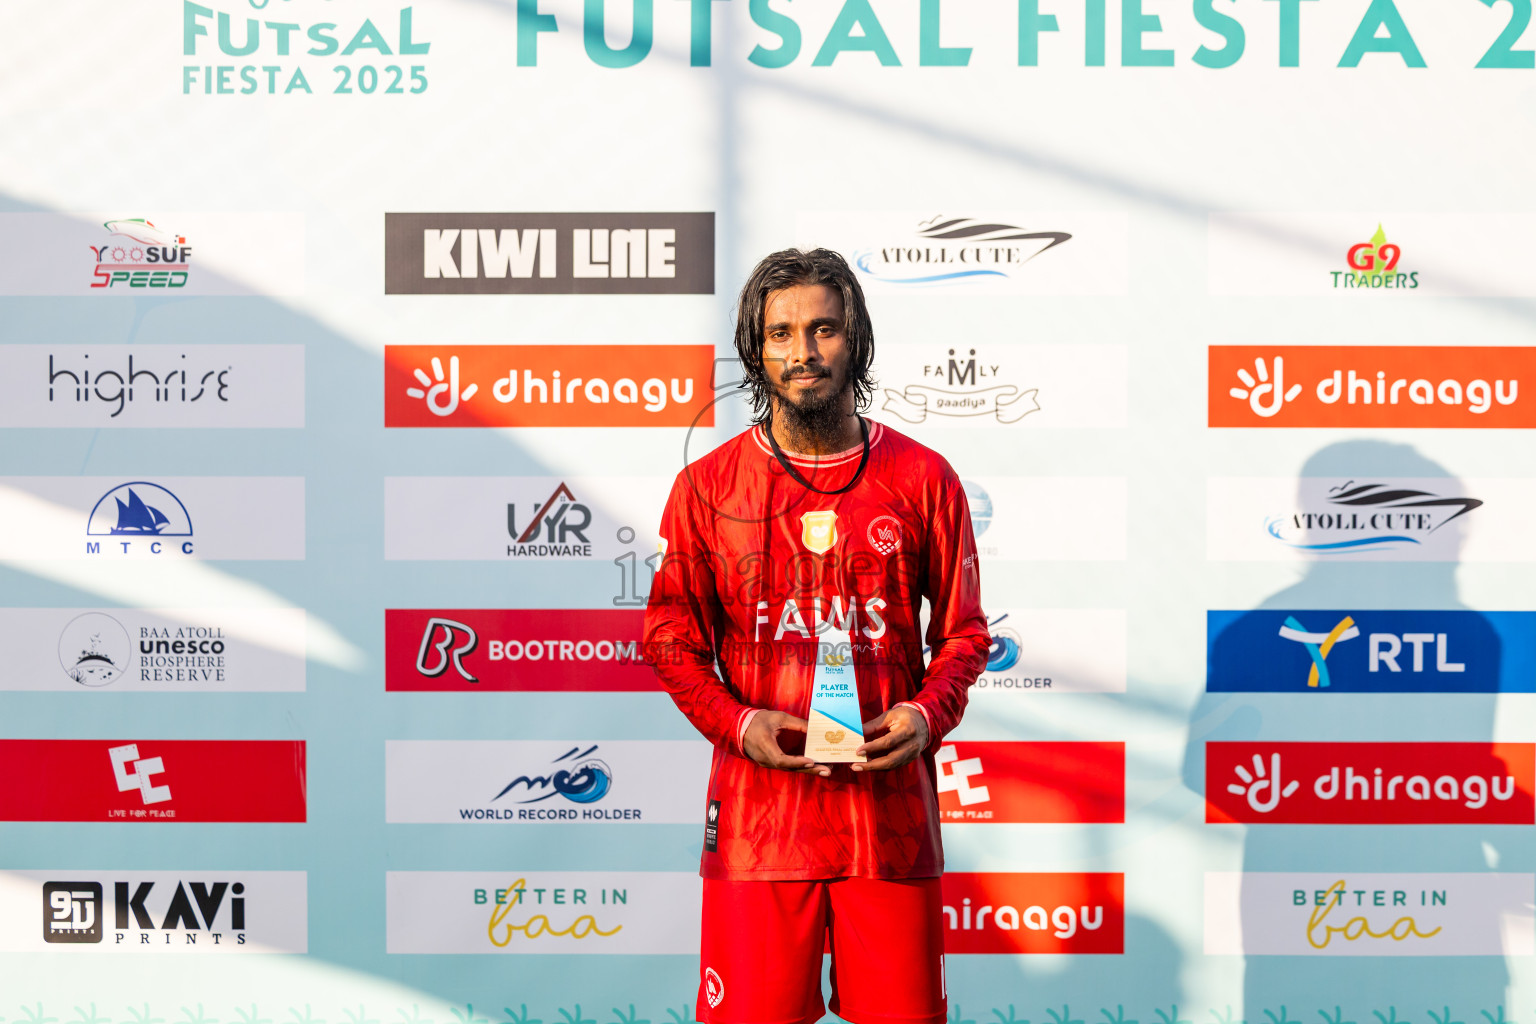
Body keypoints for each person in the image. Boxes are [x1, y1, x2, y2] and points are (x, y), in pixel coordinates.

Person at [643, 248, 990, 1024]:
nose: (804, 352)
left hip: (888, 825)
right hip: (761, 829)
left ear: (856, 338)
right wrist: (738, 724)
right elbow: (670, 640)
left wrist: (927, 714)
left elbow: (965, 635)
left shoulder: (923, 478)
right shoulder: (707, 488)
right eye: (781, 333)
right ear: (755, 350)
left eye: (824, 329)